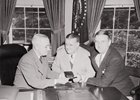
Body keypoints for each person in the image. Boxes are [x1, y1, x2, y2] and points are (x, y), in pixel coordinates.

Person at [86, 30, 134, 96]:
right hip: (104, 90)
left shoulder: (115, 59)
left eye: (103, 41)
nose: (99, 45)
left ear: (109, 42)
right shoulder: (95, 52)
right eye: (97, 41)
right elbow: (85, 47)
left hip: (121, 92)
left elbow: (104, 83)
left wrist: (84, 78)